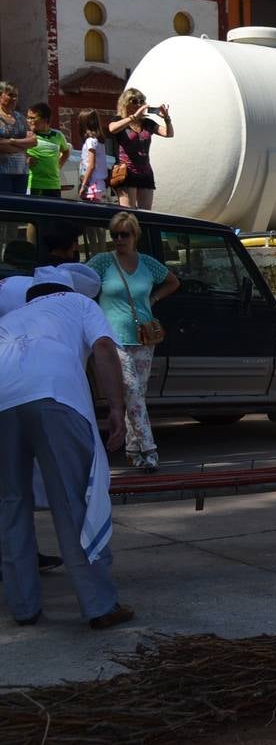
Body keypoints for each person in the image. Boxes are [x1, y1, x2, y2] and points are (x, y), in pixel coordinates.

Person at [0, 266, 134, 629]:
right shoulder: (79, 303)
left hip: (2, 402)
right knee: (74, 501)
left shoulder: (13, 314)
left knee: (11, 505)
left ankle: (24, 607)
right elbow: (104, 349)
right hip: (54, 397)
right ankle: (99, 606)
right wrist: (116, 408)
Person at [85, 212, 180, 471]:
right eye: (114, 234)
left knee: (136, 395)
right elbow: (81, 280)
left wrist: (152, 300)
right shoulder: (104, 261)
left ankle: (133, 451)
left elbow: (173, 282)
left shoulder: (148, 263)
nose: (118, 239)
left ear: (134, 235)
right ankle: (150, 449)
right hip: (114, 338)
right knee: (134, 392)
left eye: (123, 234)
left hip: (144, 338)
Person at [107, 87, 173, 209]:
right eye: (135, 101)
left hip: (145, 172)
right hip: (126, 172)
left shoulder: (147, 123)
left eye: (141, 101)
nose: (139, 104)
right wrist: (133, 117)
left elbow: (168, 134)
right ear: (125, 104)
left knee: (146, 214)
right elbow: (112, 129)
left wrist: (167, 119)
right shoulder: (119, 120)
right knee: (129, 213)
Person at [23, 103, 69, 198]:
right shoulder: (27, 136)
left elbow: (66, 151)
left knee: (53, 212)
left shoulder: (58, 135)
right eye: (28, 118)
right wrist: (26, 158)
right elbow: (17, 152)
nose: (29, 121)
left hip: (54, 185)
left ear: (45, 119)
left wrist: (59, 165)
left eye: (33, 118)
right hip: (34, 185)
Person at [0, 82, 35, 195]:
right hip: (2, 172)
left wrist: (11, 141)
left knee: (19, 207)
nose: (14, 98)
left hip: (22, 171)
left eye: (16, 95)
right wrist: (22, 147)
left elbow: (33, 141)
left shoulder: (20, 117)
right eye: (10, 95)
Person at [76, 110, 111, 203]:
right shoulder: (98, 141)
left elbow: (91, 165)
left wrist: (83, 185)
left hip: (92, 186)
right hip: (99, 185)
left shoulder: (90, 141)